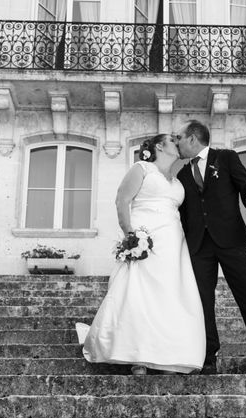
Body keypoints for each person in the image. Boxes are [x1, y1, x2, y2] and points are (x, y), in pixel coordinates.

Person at [83, 134, 206, 375]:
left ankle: (168, 354)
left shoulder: (178, 180)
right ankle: (136, 355)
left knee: (170, 293)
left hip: (172, 241)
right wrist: (131, 236)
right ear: (160, 146)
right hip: (145, 236)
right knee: (139, 291)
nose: (178, 142)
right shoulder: (141, 168)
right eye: (173, 139)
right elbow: (122, 200)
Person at [174, 119, 246, 377]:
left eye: (179, 137)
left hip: (232, 240)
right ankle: (208, 356)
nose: (177, 142)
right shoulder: (181, 175)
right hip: (199, 247)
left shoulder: (225, 158)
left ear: (192, 138)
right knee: (203, 302)